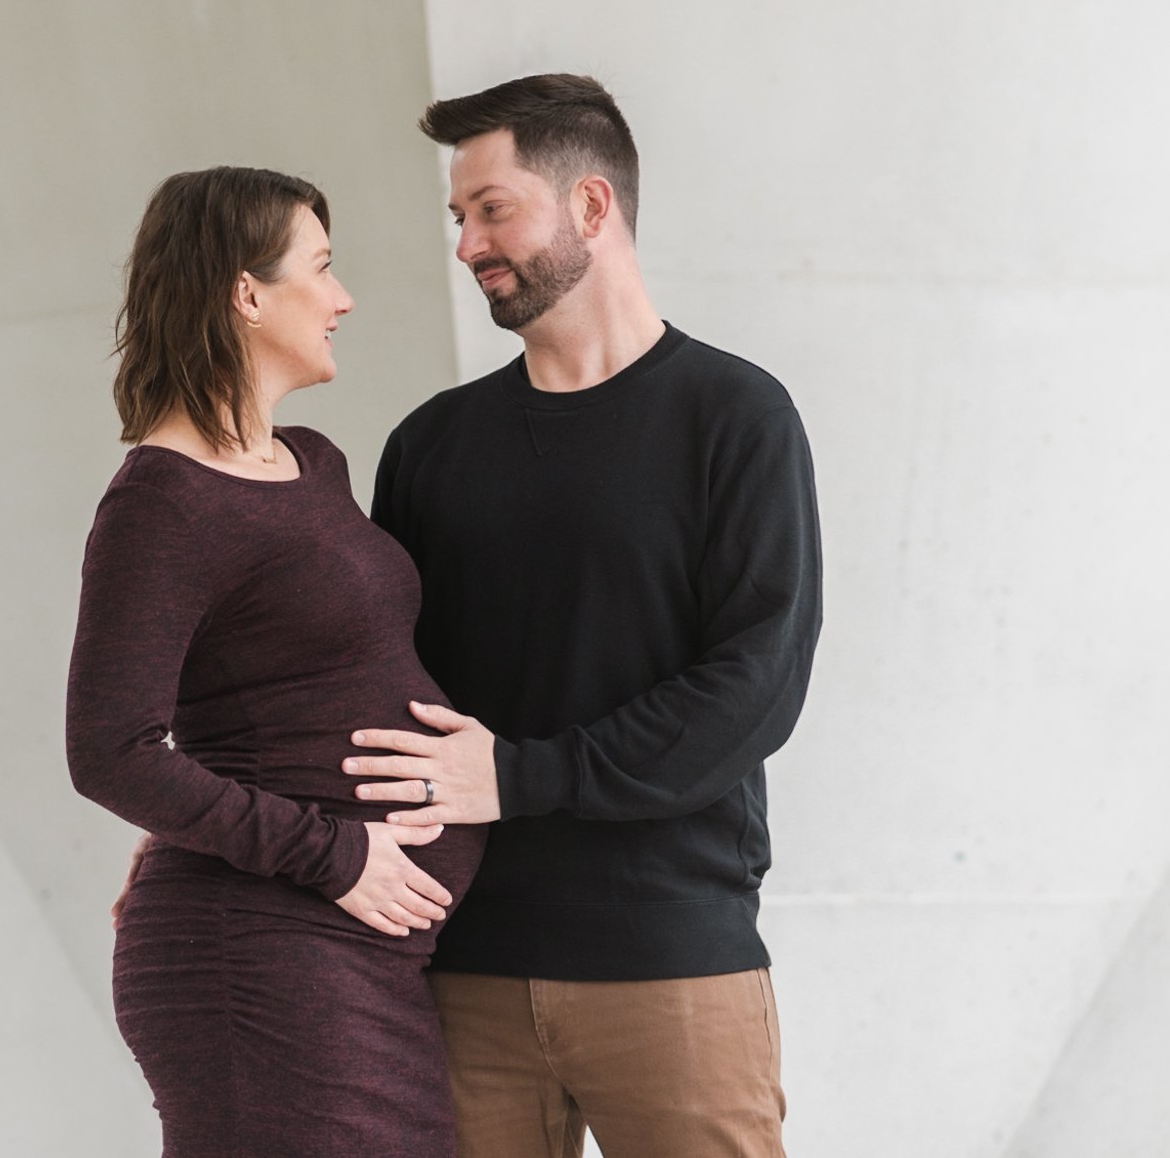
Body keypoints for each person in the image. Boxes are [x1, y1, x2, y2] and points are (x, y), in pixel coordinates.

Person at [347, 75, 821, 1158]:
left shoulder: (734, 418)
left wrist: (519, 774)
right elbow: (365, 688)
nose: (466, 242)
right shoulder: (430, 446)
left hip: (672, 964)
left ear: (591, 207)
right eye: (458, 217)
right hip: (459, 969)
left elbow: (753, 688)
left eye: (492, 207)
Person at [67, 166, 486, 1157]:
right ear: (247, 294)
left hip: (347, 958)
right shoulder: (160, 501)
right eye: (324, 269)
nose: (342, 299)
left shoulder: (312, 460)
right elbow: (111, 749)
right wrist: (330, 850)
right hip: (260, 955)